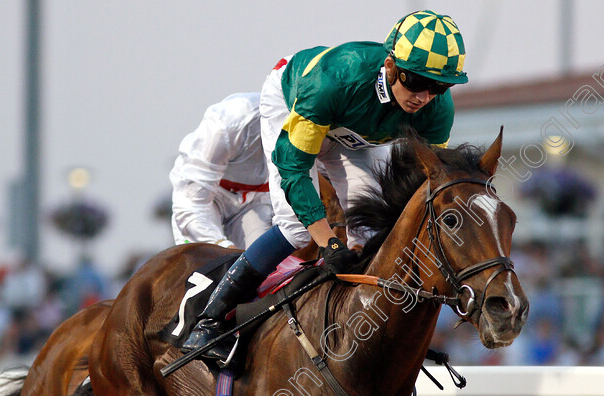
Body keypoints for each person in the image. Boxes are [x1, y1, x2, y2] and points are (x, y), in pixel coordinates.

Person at [183, 10, 470, 362]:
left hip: (353, 132)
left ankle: (367, 328)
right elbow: (293, 169)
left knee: (370, 230)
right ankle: (209, 320)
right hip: (296, 99)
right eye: (416, 82)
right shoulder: (333, 80)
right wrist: (328, 241)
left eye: (438, 86)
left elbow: (423, 187)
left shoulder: (437, 111)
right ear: (392, 65)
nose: (424, 97)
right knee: (295, 229)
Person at [170, 92, 272, 249]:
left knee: (265, 265)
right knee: (215, 262)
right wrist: (222, 246)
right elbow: (191, 205)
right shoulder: (229, 122)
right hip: (205, 199)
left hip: (256, 200)